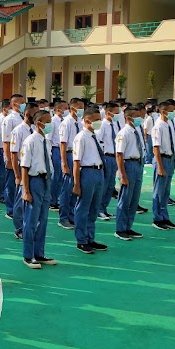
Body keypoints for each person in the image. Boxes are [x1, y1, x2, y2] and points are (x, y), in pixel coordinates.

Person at [20, 110, 57, 268]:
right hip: (34, 181)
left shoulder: (46, 141)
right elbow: (24, 166)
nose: (50, 125)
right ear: (38, 123)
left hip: (46, 181)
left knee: (43, 220)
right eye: (47, 121)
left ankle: (39, 253)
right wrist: (26, 190)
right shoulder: (30, 141)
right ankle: (28, 255)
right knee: (31, 220)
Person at [72, 106, 107, 254]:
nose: (100, 122)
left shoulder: (95, 135)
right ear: (87, 120)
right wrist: (76, 183)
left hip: (98, 172)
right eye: (97, 120)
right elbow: (76, 162)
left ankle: (90, 238)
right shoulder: (81, 137)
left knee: (94, 209)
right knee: (83, 208)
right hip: (87, 172)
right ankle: (81, 240)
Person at [114, 105, 145, 241]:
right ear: (129, 118)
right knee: (125, 198)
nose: (140, 118)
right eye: (137, 116)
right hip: (128, 165)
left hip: (138, 164)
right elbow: (119, 155)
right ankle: (120, 229)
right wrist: (123, 175)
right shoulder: (124, 133)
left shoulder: (136, 131)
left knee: (134, 199)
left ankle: (128, 226)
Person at [10, 102, 38, 239]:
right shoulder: (18, 131)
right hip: (23, 169)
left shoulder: (34, 130)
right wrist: (17, 174)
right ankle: (19, 228)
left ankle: (28, 226)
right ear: (27, 114)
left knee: (29, 200)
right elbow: (14, 154)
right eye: (35, 113)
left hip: (33, 170)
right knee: (20, 202)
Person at [151, 101, 175, 230]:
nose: (174, 113)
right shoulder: (158, 126)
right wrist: (160, 167)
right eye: (172, 110)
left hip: (170, 158)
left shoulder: (169, 124)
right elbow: (156, 147)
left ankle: (165, 216)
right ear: (163, 111)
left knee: (166, 191)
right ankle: (157, 219)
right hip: (162, 159)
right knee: (159, 191)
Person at [58, 98, 83, 231]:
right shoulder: (66, 123)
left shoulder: (80, 122)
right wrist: (64, 163)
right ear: (72, 108)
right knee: (67, 189)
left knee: (76, 187)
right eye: (79, 107)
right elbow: (63, 144)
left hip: (78, 156)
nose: (81, 109)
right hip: (69, 155)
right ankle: (63, 218)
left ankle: (72, 216)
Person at [1, 94, 25, 223]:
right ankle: (10, 210)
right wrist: (9, 160)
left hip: (23, 157)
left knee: (20, 184)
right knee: (11, 185)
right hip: (13, 157)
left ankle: (18, 209)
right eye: (22, 102)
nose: (24, 104)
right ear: (14, 104)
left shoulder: (22, 117)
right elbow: (6, 141)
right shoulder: (9, 119)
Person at [96, 102, 121, 221]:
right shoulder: (102, 125)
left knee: (111, 185)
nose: (118, 115)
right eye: (116, 113)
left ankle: (104, 208)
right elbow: (99, 142)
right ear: (108, 112)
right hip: (106, 157)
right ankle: (98, 209)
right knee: (104, 185)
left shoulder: (114, 125)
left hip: (114, 156)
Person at [47, 101, 65, 212]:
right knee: (55, 176)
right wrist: (49, 154)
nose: (66, 110)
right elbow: (49, 138)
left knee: (60, 177)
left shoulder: (63, 121)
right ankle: (51, 200)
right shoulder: (53, 122)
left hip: (61, 150)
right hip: (55, 149)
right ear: (58, 110)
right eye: (65, 108)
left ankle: (56, 199)